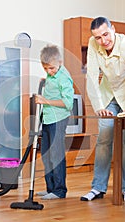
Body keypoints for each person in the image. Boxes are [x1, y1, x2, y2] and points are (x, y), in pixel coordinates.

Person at [80, 17, 125, 203]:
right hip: (108, 95)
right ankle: (98, 187)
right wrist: (99, 106)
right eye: (98, 37)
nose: (103, 41)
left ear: (113, 29)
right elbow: (93, 77)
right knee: (104, 139)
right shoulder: (94, 45)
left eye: (105, 35)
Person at [35, 44, 74, 200]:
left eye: (51, 68)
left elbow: (68, 103)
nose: (49, 71)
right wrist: (46, 80)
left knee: (56, 155)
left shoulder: (64, 78)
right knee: (46, 154)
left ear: (60, 62)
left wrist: (45, 100)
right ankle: (50, 188)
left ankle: (59, 190)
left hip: (58, 119)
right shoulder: (52, 74)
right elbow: (52, 80)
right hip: (47, 118)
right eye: (45, 69)